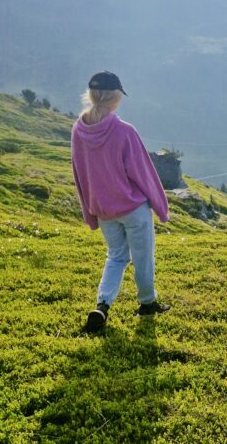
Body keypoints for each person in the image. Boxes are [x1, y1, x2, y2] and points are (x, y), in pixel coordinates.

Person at [71, 71, 171, 333]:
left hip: (104, 211)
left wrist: (90, 212)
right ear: (115, 97)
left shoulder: (78, 131)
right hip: (133, 208)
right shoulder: (124, 131)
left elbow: (80, 174)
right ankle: (147, 304)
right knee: (142, 257)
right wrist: (161, 207)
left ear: (91, 95)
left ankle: (102, 306)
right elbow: (143, 173)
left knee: (116, 257)